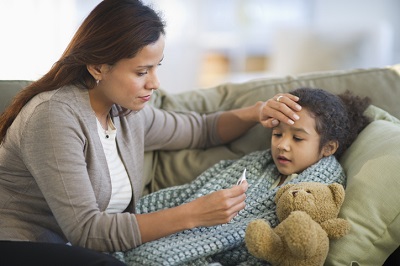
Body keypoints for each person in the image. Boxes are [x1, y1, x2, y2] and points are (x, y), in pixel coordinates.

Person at [0, 0, 301, 264]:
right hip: (18, 244)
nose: (154, 83)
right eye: (142, 72)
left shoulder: (126, 112)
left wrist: (255, 112)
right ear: (97, 67)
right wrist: (192, 214)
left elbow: (200, 130)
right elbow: (87, 232)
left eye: (157, 67)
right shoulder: (54, 116)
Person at [115, 87, 371, 265]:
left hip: (224, 253)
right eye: (277, 133)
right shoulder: (255, 164)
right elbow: (193, 192)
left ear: (328, 148)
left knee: (153, 258)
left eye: (298, 138)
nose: (282, 145)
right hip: (182, 231)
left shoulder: (320, 189)